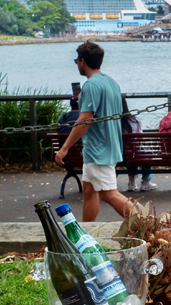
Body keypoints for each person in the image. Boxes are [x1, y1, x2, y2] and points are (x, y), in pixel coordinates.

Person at [54, 41, 132, 222]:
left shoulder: (90, 86)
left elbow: (84, 120)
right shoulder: (112, 82)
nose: (77, 64)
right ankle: (87, 231)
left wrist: (64, 148)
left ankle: (148, 226)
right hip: (109, 146)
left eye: (77, 60)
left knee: (109, 194)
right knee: (89, 191)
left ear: (82, 61)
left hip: (98, 150)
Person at [120, 96, 156, 193]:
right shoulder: (134, 121)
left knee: (129, 152)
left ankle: (131, 182)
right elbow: (139, 140)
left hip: (117, 154)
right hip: (133, 153)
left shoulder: (109, 122)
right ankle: (145, 181)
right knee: (144, 152)